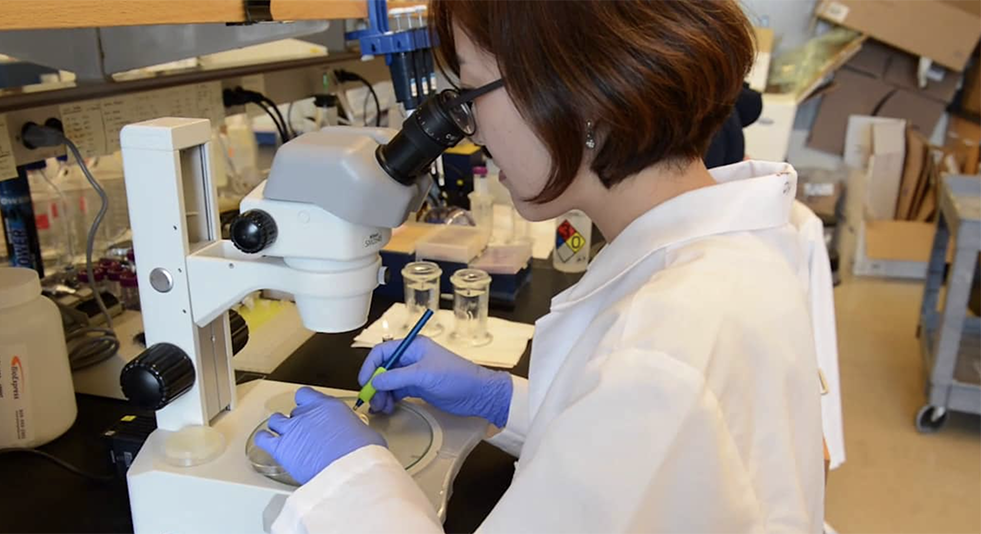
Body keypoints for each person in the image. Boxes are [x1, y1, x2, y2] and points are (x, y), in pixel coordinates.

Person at [255, 1, 827, 532]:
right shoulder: (730, 253)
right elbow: (646, 452)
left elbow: (651, 395)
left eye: (473, 91)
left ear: (584, 93)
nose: (469, 130)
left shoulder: (662, 343)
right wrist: (504, 399)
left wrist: (351, 478)